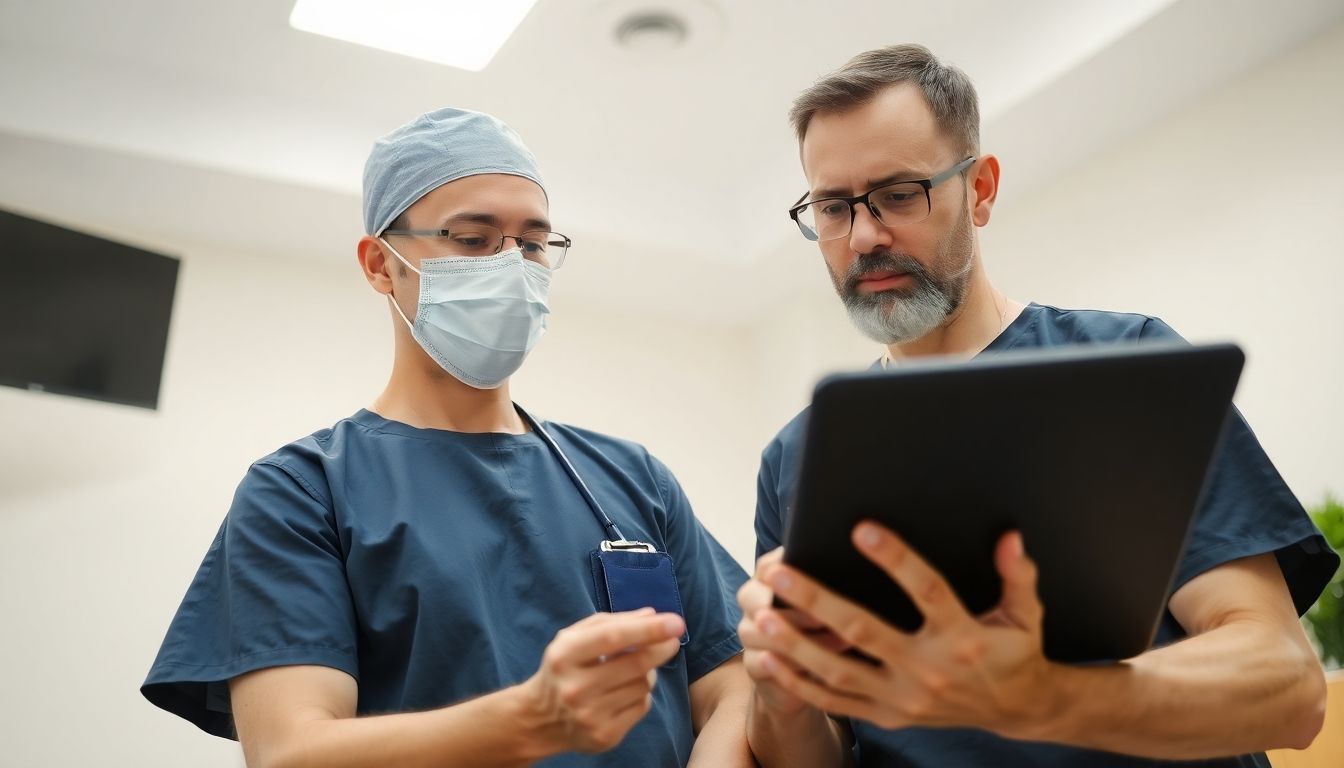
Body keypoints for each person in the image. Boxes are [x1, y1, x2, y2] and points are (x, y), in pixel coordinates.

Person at [737, 44, 1339, 767]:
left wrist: (1044, 698)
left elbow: (1287, 688)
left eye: (900, 194)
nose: (865, 236)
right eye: (833, 207)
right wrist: (780, 693)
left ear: (981, 189)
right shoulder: (795, 459)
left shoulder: (1126, 367)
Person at [143, 107, 752, 768]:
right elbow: (291, 751)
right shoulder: (302, 489)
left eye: (533, 243)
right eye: (472, 239)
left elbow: (734, 682)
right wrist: (527, 719)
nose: (513, 266)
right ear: (381, 264)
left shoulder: (630, 477)